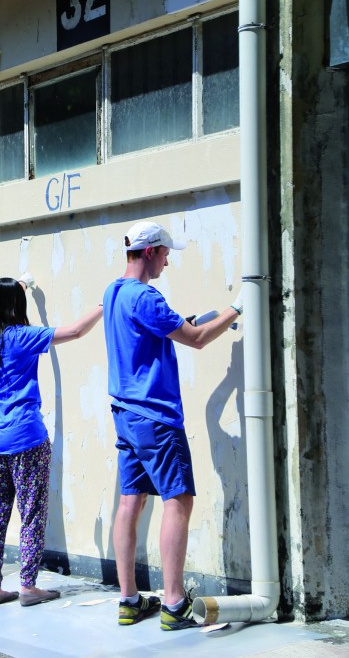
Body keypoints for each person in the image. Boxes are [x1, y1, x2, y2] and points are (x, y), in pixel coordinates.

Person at [103, 221, 240, 629]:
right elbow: (196, 339)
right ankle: (175, 602)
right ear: (149, 252)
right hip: (156, 417)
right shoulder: (147, 297)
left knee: (131, 501)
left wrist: (187, 324)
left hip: (126, 414)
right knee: (177, 500)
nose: (167, 261)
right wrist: (238, 307)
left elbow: (149, 334)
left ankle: (129, 599)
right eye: (165, 253)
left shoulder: (113, 292)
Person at [0, 277, 102, 608]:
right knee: (31, 512)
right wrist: (103, 306)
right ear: (17, 305)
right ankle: (28, 585)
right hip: (26, 437)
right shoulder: (23, 337)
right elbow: (74, 332)